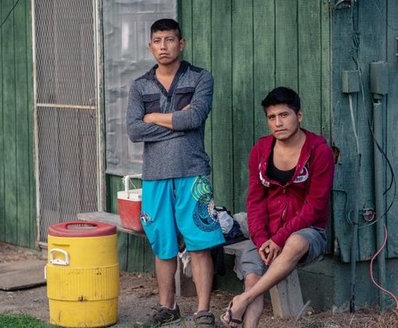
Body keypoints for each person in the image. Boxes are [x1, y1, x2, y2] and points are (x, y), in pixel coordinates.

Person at [126, 18, 225, 328]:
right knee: (162, 243)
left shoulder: (200, 78)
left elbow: (195, 117)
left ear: (181, 44)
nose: (163, 46)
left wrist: (153, 117)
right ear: (150, 46)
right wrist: (176, 123)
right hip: (155, 177)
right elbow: (133, 130)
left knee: (199, 241)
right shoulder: (140, 85)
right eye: (158, 40)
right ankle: (167, 307)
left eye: (170, 40)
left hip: (193, 173)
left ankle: (203, 311)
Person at [220, 87, 335, 328]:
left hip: (308, 232)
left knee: (295, 241)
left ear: (299, 116)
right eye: (272, 118)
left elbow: (314, 207)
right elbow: (254, 200)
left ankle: (241, 301)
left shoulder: (319, 151)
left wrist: (279, 239)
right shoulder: (261, 150)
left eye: (284, 115)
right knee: (253, 280)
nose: (278, 123)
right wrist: (263, 240)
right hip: (266, 233)